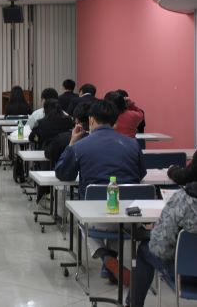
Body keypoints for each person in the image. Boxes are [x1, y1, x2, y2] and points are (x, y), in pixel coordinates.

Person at [55, 100, 146, 273]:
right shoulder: (133, 145)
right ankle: (111, 265)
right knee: (115, 207)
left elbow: (63, 174)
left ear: (91, 120)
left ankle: (105, 256)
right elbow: (140, 175)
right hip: (129, 219)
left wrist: (72, 142)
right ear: (116, 121)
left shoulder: (81, 146)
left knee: (83, 216)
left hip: (95, 219)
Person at [126, 181, 197, 307]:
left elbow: (160, 247)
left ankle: (132, 305)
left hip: (186, 276)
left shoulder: (181, 199)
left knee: (145, 249)